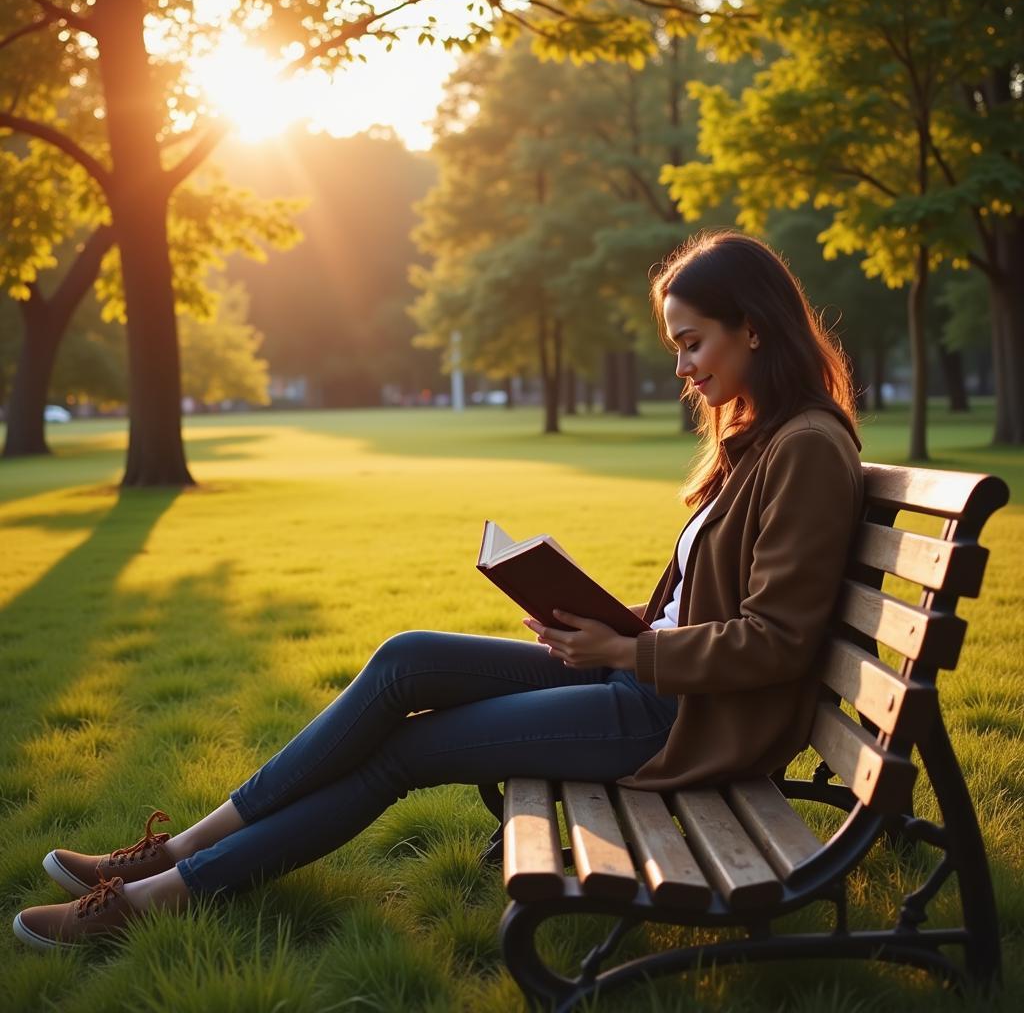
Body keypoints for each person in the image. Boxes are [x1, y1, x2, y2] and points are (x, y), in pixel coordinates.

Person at [13, 229, 863, 950]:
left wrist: (627, 649)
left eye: (692, 342)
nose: (682, 367)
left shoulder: (805, 450)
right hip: (644, 678)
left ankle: (158, 896)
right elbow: (711, 605)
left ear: (751, 329)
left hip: (678, 717)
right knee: (406, 661)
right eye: (676, 346)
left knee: (408, 752)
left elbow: (777, 640)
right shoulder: (763, 439)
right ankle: (184, 850)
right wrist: (614, 621)